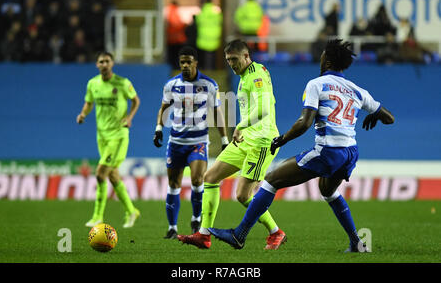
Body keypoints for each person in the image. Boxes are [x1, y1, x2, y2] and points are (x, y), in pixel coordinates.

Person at [208, 39, 395, 252]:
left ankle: (239, 234)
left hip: (328, 150)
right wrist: (374, 117)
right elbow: (389, 118)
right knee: (328, 191)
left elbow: (304, 122)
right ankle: (356, 242)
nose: (321, 57)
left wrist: (282, 139)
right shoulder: (357, 90)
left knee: (270, 181)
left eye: (324, 54)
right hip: (351, 152)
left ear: (329, 60)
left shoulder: (316, 84)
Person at [177, 39, 284, 250]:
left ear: (246, 56)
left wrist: (240, 126)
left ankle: (276, 232)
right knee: (210, 177)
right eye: (228, 60)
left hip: (262, 142)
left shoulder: (256, 76)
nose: (231, 64)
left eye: (234, 59)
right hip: (246, 139)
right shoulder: (246, 75)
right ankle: (204, 235)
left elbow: (263, 110)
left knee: (243, 195)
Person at [154, 46, 229, 239]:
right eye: (182, 62)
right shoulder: (171, 85)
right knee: (173, 184)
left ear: (196, 62)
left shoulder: (209, 85)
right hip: (176, 142)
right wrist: (159, 129)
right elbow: (163, 108)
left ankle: (196, 218)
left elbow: (216, 112)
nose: (185, 66)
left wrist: (224, 139)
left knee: (197, 180)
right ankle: (172, 227)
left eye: (188, 61)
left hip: (198, 141)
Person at [77, 51, 141, 228]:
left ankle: (98, 215)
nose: (104, 64)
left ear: (112, 63)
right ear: (97, 65)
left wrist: (129, 118)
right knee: (112, 175)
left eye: (107, 61)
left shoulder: (122, 83)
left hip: (118, 135)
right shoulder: (93, 84)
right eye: (101, 61)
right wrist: (83, 114)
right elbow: (89, 102)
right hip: (102, 136)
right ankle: (132, 211)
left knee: (100, 173)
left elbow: (136, 101)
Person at [195, 0, 222, 70]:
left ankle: (204, 69)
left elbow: (197, 22)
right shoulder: (216, 13)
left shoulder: (201, 13)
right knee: (212, 55)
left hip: (204, 37)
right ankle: (212, 69)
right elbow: (220, 22)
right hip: (214, 37)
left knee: (203, 56)